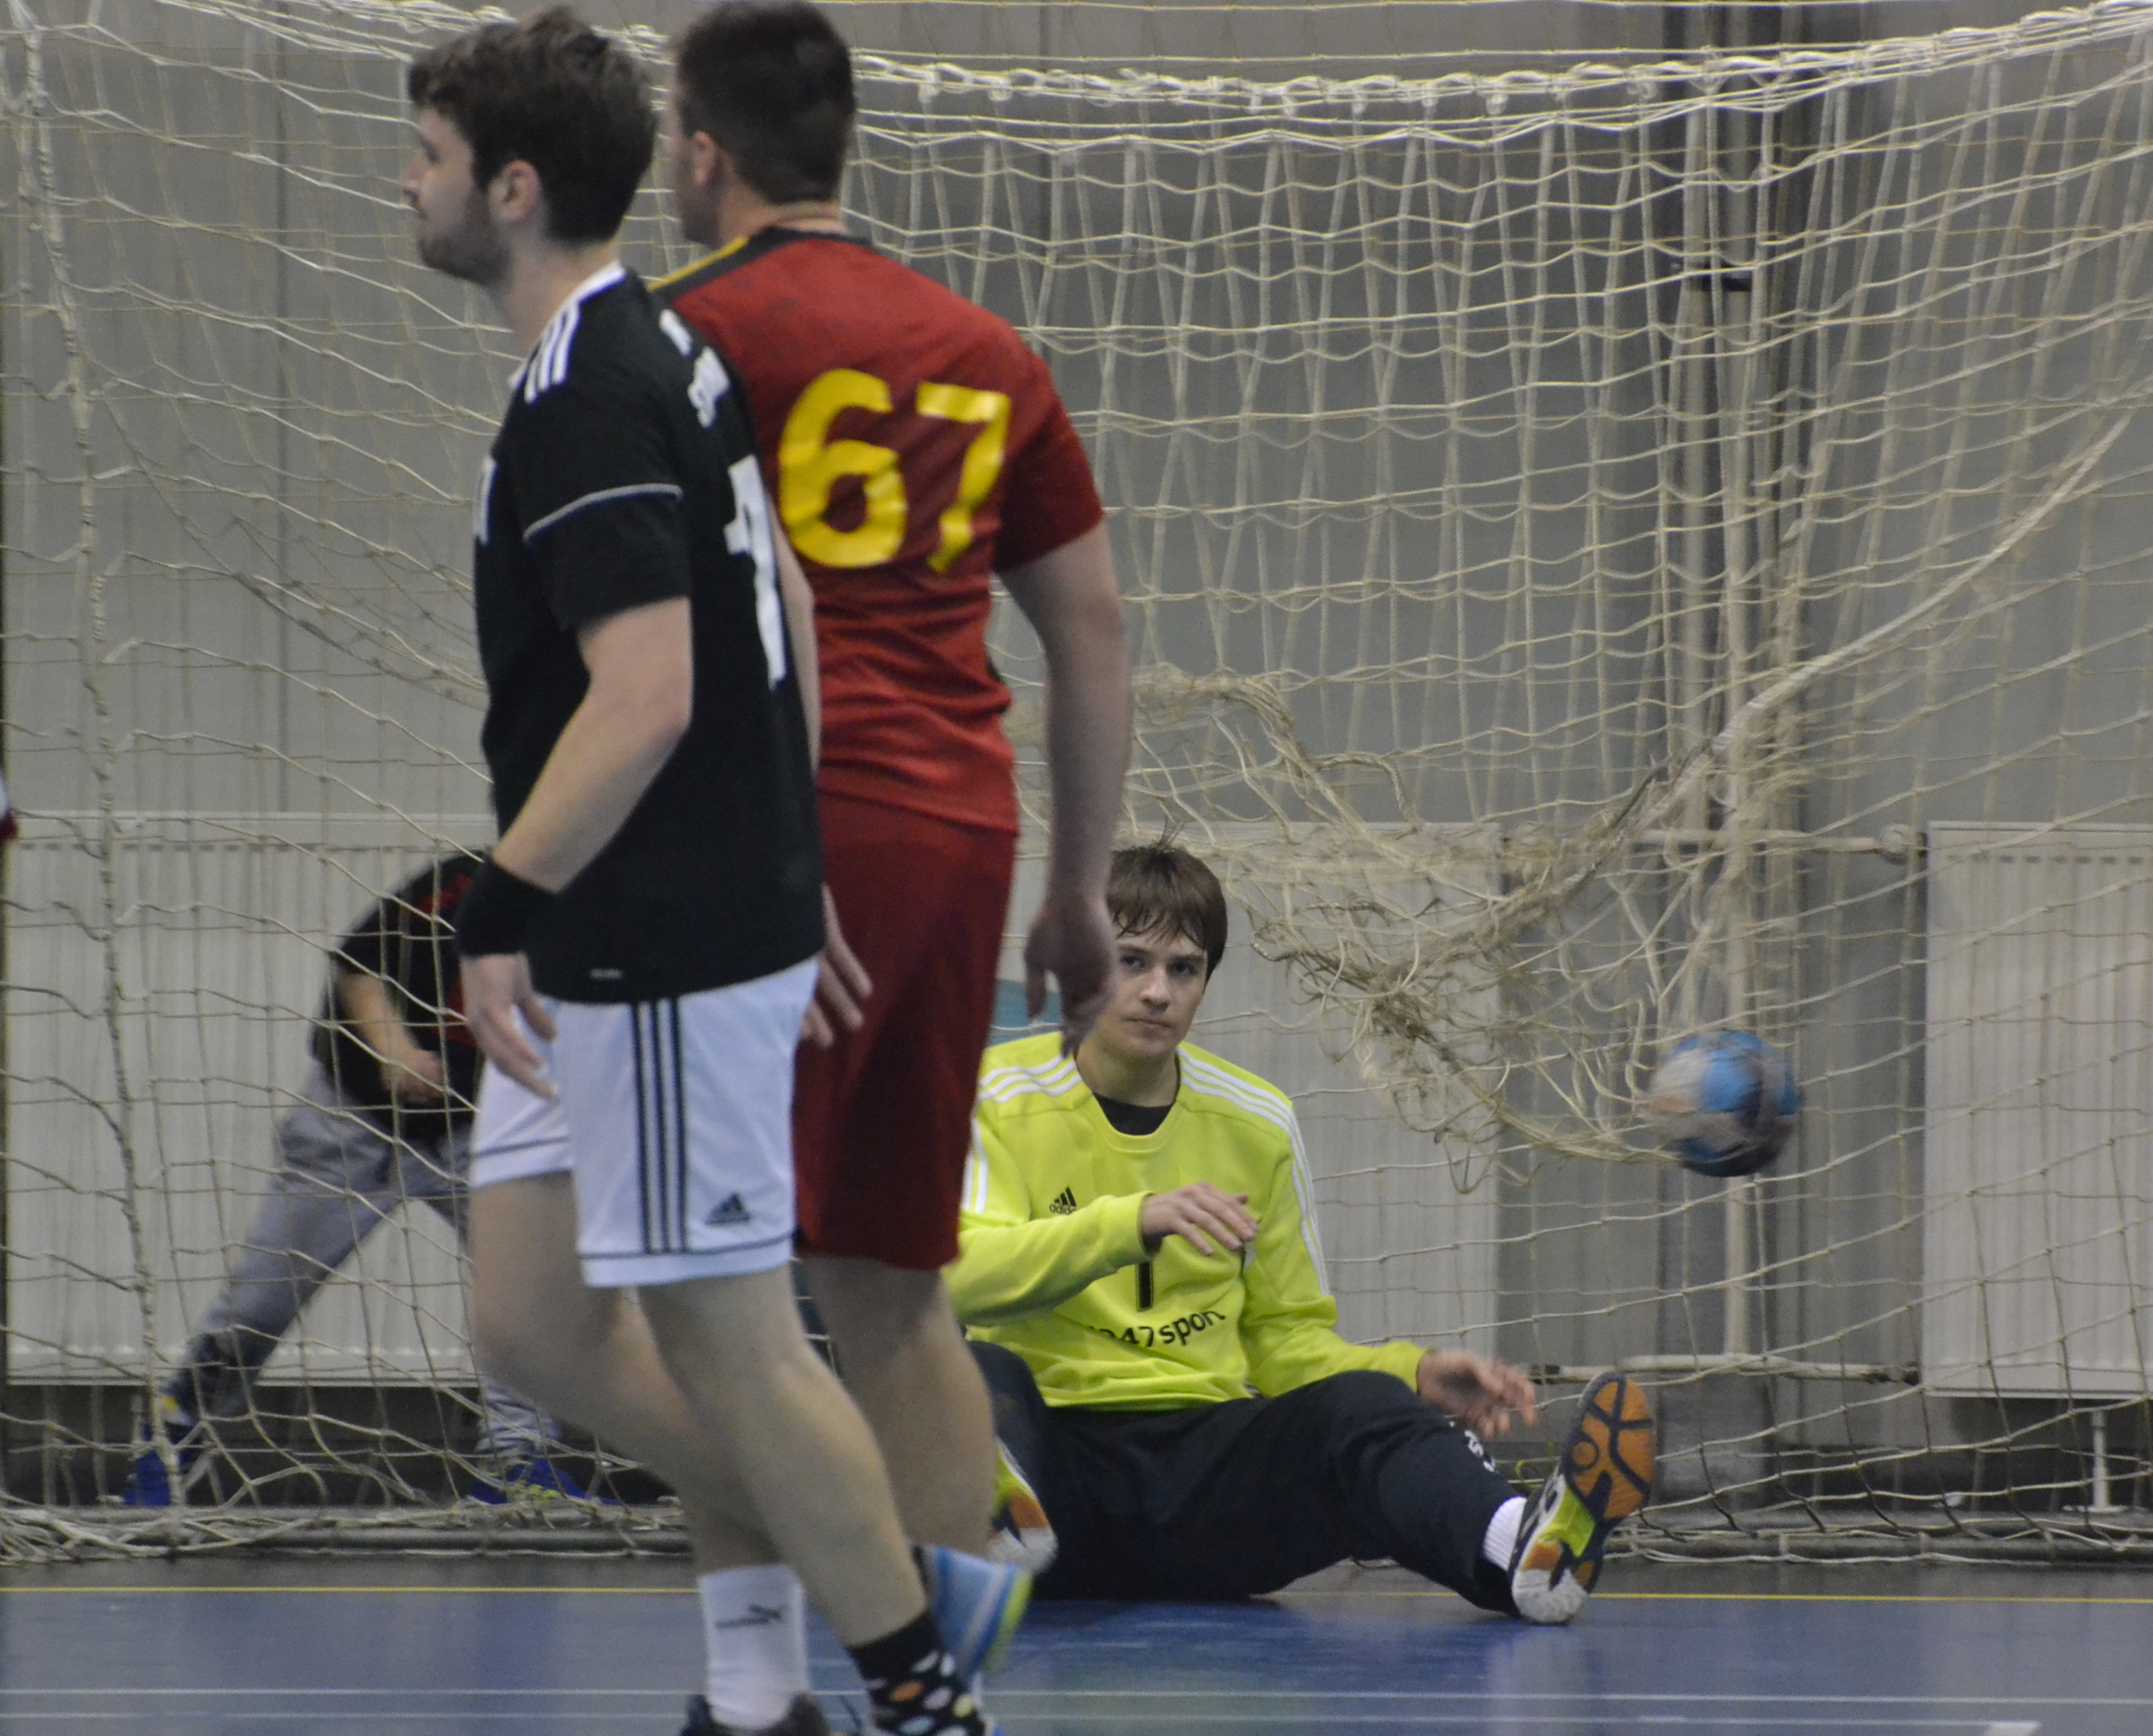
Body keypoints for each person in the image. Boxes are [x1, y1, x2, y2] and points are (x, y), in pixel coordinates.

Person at [397, 14, 1014, 1736]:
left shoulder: (600, 385)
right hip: (627, 922)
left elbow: (653, 689)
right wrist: (794, 856)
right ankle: (828, 1623)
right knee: (534, 1322)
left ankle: (918, 1687)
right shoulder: (651, 345)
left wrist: (502, 906)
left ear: (513, 189)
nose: (406, 184)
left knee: (729, 1336)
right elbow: (786, 602)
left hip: (646, 936)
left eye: (429, 158)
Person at [654, 0, 1128, 1620]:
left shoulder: (679, 332)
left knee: (706, 1282)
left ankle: (764, 1678)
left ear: (701, 153)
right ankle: (947, 1683)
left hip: (771, 827)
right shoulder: (987, 350)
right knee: (892, 1281)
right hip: (954, 827)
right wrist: (1076, 889)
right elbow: (1089, 627)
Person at [954, 842, 1658, 1623]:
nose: (1157, 991)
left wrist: (1413, 1373)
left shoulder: (1257, 1121)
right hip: (1055, 1482)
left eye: (1184, 969)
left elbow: (1286, 1344)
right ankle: (985, 1512)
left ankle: (1521, 1550)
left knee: (1360, 1407)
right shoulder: (998, 1095)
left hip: (1207, 1494)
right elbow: (957, 1277)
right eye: (1132, 962)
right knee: (965, 1369)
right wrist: (1131, 1222)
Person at [121, 854, 587, 1507]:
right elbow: (357, 964)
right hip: (355, 1119)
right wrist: (394, 1051)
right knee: (260, 1305)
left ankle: (515, 1458)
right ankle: (175, 1431)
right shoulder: (469, 882)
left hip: (479, 1132)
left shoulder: (614, 922)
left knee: (526, 1294)